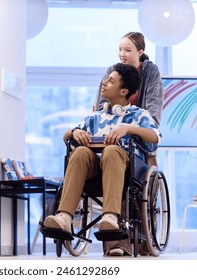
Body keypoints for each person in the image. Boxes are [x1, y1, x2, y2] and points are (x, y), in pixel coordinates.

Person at [43, 63, 161, 256]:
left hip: (124, 170)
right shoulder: (94, 118)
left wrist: (128, 129)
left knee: (112, 151)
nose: (104, 83)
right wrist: (75, 132)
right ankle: (64, 217)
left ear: (123, 91)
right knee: (80, 153)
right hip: (94, 171)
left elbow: (155, 137)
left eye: (110, 81)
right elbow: (66, 137)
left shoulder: (139, 116)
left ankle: (110, 217)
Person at [96, 32, 163, 168]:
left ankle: (151, 187)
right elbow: (101, 106)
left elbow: (153, 112)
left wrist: (139, 126)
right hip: (114, 125)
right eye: (120, 49)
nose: (122, 54)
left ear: (140, 52)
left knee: (150, 152)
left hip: (139, 125)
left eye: (127, 50)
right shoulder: (112, 71)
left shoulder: (150, 72)